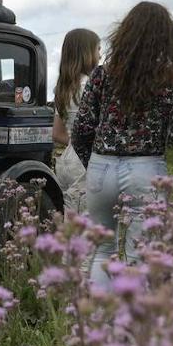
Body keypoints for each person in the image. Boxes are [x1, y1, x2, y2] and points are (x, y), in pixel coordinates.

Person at [71, 2, 173, 288]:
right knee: (141, 256)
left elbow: (81, 128)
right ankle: (137, 326)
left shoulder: (101, 74)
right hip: (146, 169)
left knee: (101, 252)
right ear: (167, 38)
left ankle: (99, 323)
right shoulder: (170, 79)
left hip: (101, 165)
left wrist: (92, 163)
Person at [50, 28, 101, 214]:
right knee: (89, 225)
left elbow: (57, 133)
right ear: (87, 53)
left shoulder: (62, 89)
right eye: (98, 49)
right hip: (87, 162)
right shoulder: (91, 86)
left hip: (66, 162)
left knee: (69, 221)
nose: (100, 55)